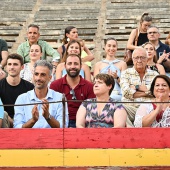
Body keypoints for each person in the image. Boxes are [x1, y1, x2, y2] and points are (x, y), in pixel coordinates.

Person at [14, 60, 68, 128]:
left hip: (52, 138)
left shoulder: (60, 98)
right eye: (36, 74)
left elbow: (63, 127)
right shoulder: (22, 99)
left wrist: (48, 117)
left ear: (50, 78)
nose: (38, 78)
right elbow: (17, 127)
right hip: (28, 138)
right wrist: (33, 121)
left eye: (43, 75)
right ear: (33, 76)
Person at [50, 54, 95, 128]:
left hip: (83, 124)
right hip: (60, 124)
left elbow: (90, 111)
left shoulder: (90, 87)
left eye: (76, 64)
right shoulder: (55, 85)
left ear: (81, 66)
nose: (73, 67)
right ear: (65, 66)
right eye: (69, 64)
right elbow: (53, 110)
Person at [120, 48, 159, 126]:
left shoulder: (155, 74)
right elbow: (126, 93)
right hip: (131, 107)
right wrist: (148, 92)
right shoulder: (125, 73)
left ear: (147, 59)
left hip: (148, 109)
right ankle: (132, 132)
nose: (139, 60)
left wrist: (136, 87)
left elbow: (157, 92)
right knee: (119, 108)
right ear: (132, 59)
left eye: (142, 57)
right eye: (136, 57)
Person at [0, 53, 34, 127]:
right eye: (9, 64)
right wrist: (13, 122)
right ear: (5, 67)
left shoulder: (30, 87)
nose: (12, 67)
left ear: (22, 67)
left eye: (15, 64)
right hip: (4, 122)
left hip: (24, 123)